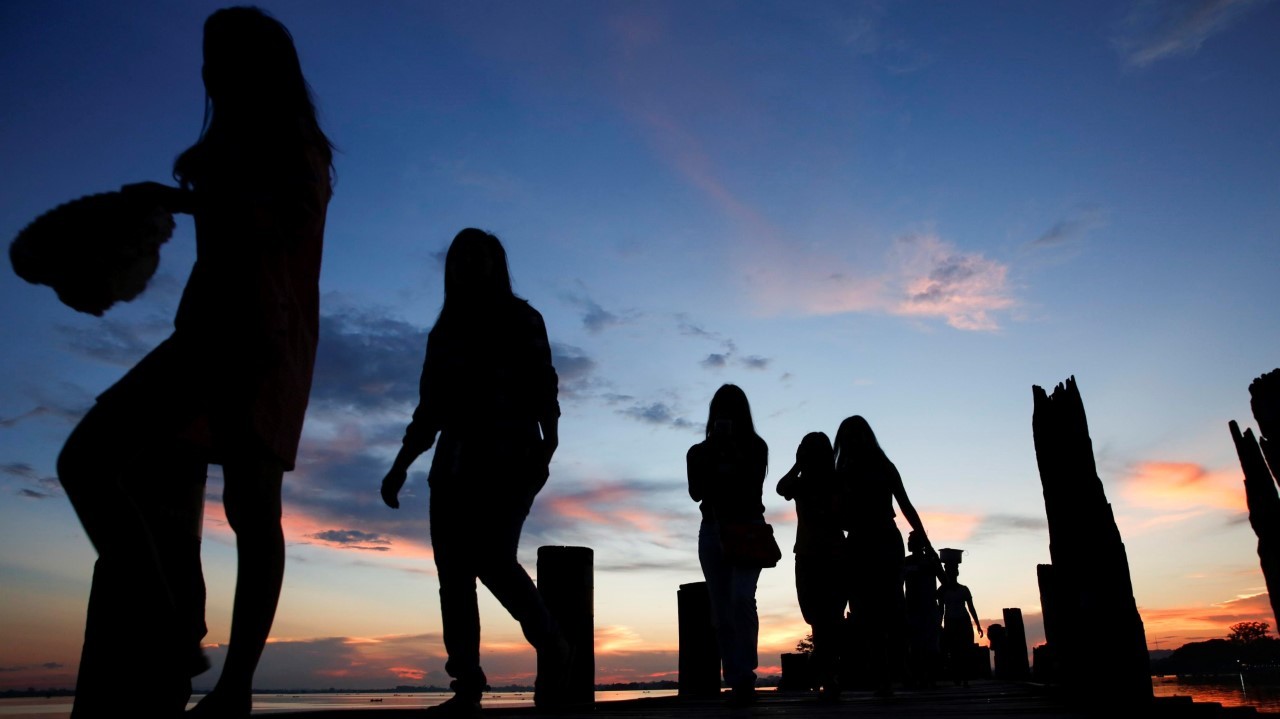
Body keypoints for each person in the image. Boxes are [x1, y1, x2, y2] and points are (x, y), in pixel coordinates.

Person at [55, 7, 333, 717]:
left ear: (257, 65)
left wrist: (184, 199)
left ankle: (229, 679)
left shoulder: (295, 144)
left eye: (223, 57)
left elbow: (282, 222)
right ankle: (174, 625)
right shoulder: (232, 144)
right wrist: (165, 208)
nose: (208, 70)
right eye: (208, 57)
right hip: (209, 329)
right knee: (102, 462)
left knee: (248, 507)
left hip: (260, 337)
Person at [381, 229, 568, 718]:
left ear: (495, 262)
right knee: (454, 575)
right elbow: (430, 408)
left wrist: (548, 443)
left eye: (477, 254)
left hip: (511, 455)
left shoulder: (522, 318)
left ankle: (552, 645)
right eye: (459, 256)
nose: (467, 263)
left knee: (492, 557)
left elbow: (542, 382)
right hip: (453, 464)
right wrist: (401, 465)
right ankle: (466, 684)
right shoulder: (444, 333)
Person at [832, 415, 931, 697]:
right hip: (865, 540)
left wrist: (922, 534)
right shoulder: (846, 472)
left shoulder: (876, 468)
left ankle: (897, 669)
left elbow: (904, 504)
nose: (853, 442)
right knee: (870, 609)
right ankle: (886, 674)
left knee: (887, 606)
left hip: (881, 539)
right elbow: (838, 514)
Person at [687, 384, 769, 706]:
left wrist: (732, 452)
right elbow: (697, 492)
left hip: (748, 529)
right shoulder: (698, 452)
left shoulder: (756, 448)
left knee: (740, 599)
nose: (726, 418)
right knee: (721, 610)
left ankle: (744, 675)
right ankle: (736, 679)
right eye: (721, 413)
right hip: (713, 530)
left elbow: (753, 488)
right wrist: (713, 454)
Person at [776, 431, 844, 702]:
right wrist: (798, 465)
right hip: (808, 554)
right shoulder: (802, 482)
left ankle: (827, 674)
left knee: (829, 617)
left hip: (832, 554)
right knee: (818, 617)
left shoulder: (836, 480)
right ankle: (826, 672)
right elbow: (782, 488)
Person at [902, 530, 943, 688]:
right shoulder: (906, 562)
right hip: (912, 608)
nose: (909, 543)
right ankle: (920, 676)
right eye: (909, 540)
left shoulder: (930, 561)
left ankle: (929, 676)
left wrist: (935, 559)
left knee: (929, 645)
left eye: (912, 540)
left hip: (928, 608)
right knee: (916, 644)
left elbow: (943, 580)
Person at [938, 562, 983, 686]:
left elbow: (971, 608)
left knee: (964, 649)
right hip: (951, 622)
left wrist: (978, 625)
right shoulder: (942, 591)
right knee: (953, 650)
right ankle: (958, 677)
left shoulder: (964, 589)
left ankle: (964, 677)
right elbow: (940, 609)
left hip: (963, 621)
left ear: (956, 574)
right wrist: (938, 624)